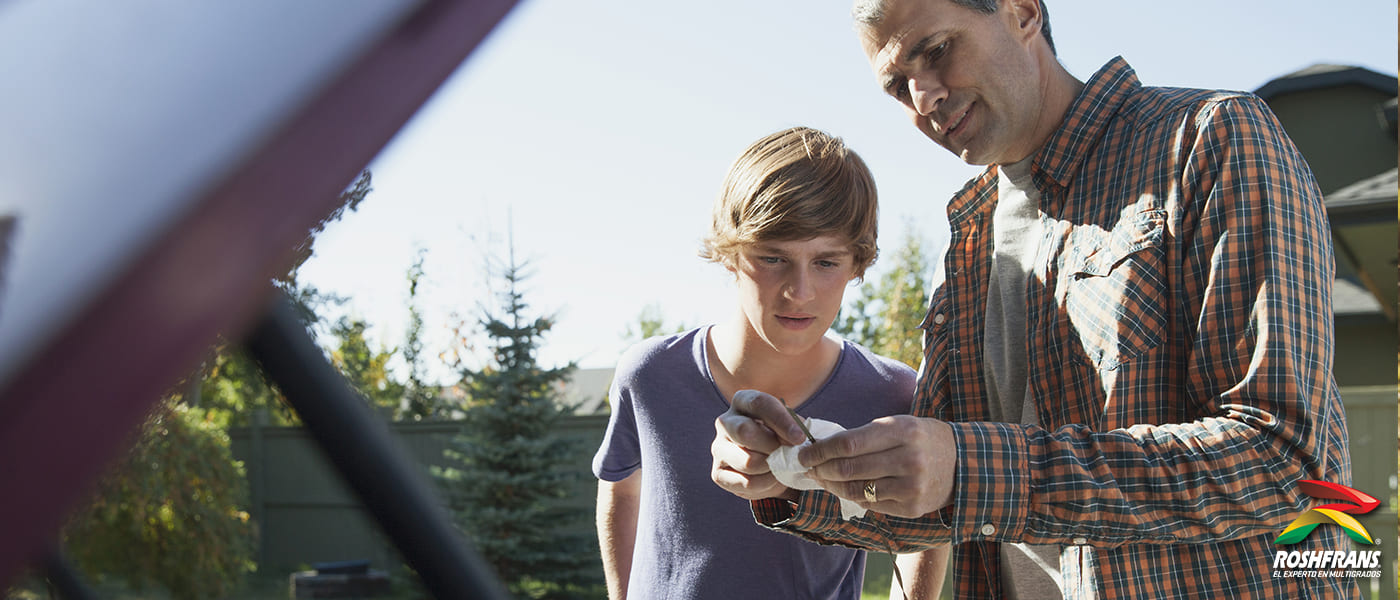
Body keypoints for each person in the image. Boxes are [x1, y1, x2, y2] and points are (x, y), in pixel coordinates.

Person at [710, 0, 1356, 598]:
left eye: (935, 50)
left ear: (1022, 11)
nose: (923, 95)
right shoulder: (970, 238)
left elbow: (1281, 462)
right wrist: (796, 480)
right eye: (896, 84)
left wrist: (971, 465)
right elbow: (944, 506)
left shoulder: (1210, 142)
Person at [593, 126, 947, 600]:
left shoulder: (894, 394)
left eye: (826, 262)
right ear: (730, 253)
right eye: (773, 257)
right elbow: (621, 488)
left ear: (858, 263)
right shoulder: (650, 374)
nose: (799, 292)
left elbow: (922, 529)